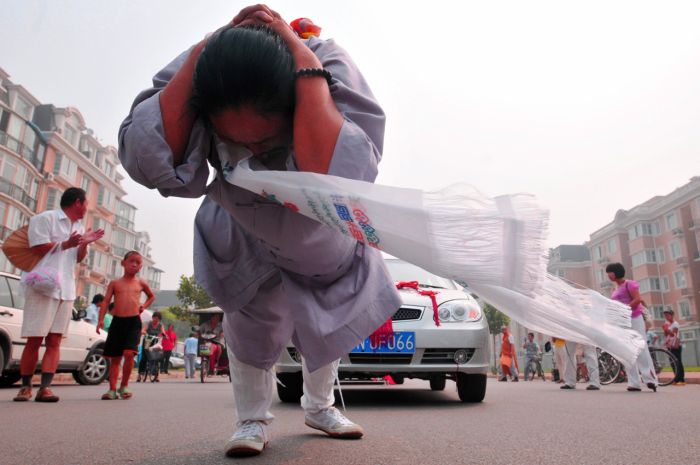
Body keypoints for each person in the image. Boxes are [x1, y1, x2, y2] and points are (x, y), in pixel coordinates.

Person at [119, 5, 402, 457]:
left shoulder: (324, 58)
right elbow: (150, 160)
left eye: (264, 141)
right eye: (238, 139)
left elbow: (345, 171)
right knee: (251, 323)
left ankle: (320, 406)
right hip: (242, 226)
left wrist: (302, 60)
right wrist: (200, 55)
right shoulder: (202, 66)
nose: (252, 148)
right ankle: (250, 420)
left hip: (317, 232)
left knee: (326, 317)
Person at [13, 187, 104, 402]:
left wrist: (84, 243)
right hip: (42, 286)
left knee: (55, 340)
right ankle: (25, 386)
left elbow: (78, 258)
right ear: (78, 203)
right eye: (86, 204)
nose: (87, 209)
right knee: (34, 339)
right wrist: (66, 243)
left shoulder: (80, 227)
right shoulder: (45, 219)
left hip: (66, 288)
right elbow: (36, 247)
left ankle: (45, 388)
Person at [97, 250, 155, 399]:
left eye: (138, 262)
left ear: (141, 266)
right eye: (131, 261)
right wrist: (101, 319)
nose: (134, 264)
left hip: (133, 321)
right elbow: (105, 301)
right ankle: (112, 389)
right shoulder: (115, 283)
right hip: (117, 321)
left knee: (129, 354)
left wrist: (144, 306)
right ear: (123, 263)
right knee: (115, 358)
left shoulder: (141, 283)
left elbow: (151, 296)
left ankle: (124, 386)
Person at [606, 262, 658, 392]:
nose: (608, 275)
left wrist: (624, 309)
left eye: (609, 272)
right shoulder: (615, 289)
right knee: (626, 351)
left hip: (634, 318)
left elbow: (637, 300)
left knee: (640, 347)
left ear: (615, 272)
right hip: (622, 322)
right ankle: (634, 382)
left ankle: (650, 379)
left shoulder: (629, 284)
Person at [137, 311, 166, 383]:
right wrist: (145, 333)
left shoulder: (160, 325)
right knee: (144, 357)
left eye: (157, 319)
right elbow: (143, 330)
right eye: (154, 318)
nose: (155, 320)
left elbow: (163, 332)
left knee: (156, 357)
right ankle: (140, 374)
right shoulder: (148, 323)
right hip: (147, 340)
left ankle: (156, 375)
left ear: (159, 320)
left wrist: (163, 334)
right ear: (152, 318)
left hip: (155, 341)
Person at [662, 308, 685, 385]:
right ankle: (676, 379)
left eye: (668, 315)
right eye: (665, 315)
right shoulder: (667, 324)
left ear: (672, 315)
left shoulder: (675, 324)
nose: (666, 317)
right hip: (669, 345)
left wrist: (666, 329)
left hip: (676, 345)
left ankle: (681, 380)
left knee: (678, 362)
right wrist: (665, 330)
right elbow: (666, 335)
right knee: (672, 362)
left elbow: (673, 334)